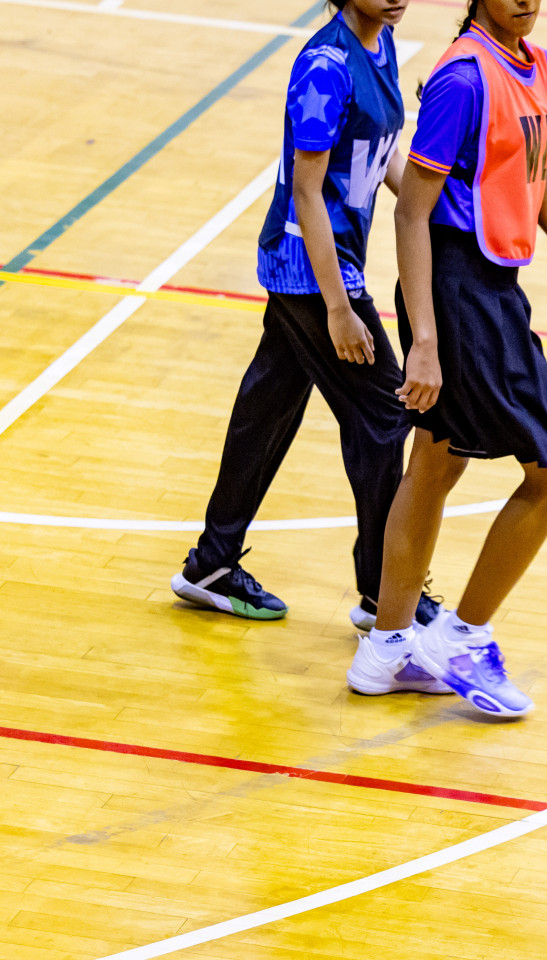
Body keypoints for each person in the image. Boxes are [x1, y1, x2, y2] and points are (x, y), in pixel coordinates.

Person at [344, 0, 547, 710]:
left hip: (492, 287)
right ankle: (462, 636)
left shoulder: (532, 64)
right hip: (457, 292)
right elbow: (411, 212)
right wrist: (424, 340)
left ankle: (387, 649)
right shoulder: (462, 79)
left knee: (435, 460)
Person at [171, 0, 441, 637]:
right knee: (383, 414)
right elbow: (306, 189)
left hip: (322, 270)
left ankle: (212, 563)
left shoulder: (383, 47)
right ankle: (385, 593)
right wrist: (340, 308)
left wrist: (431, 206)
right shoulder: (325, 64)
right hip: (311, 271)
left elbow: (379, 157)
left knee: (269, 404)